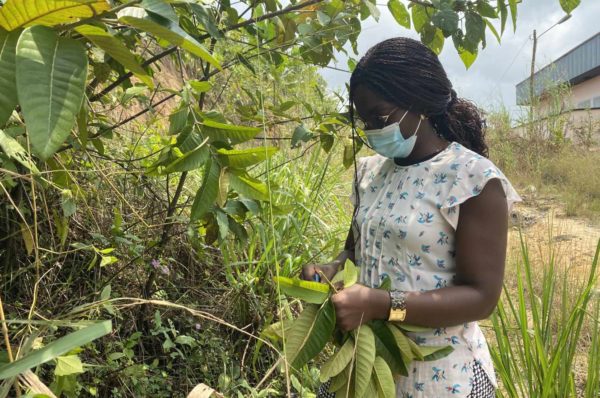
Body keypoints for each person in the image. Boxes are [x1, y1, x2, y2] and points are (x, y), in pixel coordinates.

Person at [301, 37, 521, 398]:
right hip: (367, 365)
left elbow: (481, 297)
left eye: (380, 116)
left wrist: (382, 305)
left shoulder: (474, 180)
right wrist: (330, 270)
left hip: (440, 376)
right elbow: (355, 253)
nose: (372, 129)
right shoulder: (368, 173)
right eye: (364, 119)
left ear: (418, 103)